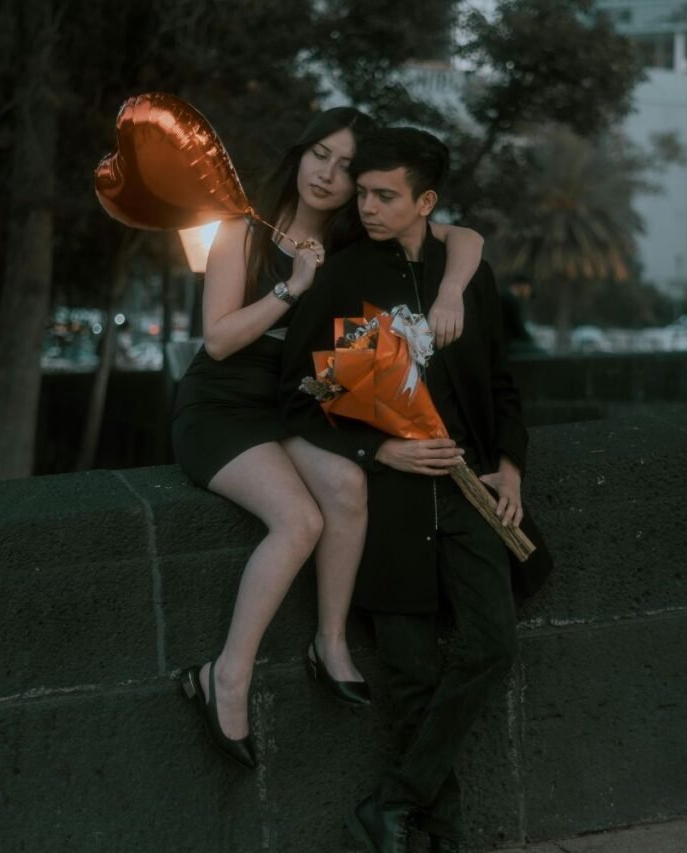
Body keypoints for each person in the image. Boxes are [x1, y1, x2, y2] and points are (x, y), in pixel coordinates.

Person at [171, 107, 486, 769]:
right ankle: (225, 676)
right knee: (298, 520)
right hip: (223, 405)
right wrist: (294, 286)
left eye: (348, 168)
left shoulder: (355, 246)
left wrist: (451, 291)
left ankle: (330, 640)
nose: (328, 174)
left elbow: (465, 238)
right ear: (300, 154)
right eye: (321, 154)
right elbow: (220, 339)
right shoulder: (243, 231)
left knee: (346, 485)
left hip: (294, 406)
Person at [280, 127, 552, 852]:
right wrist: (381, 449)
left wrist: (512, 465)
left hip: (466, 494)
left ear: (425, 200)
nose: (364, 205)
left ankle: (394, 801)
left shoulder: (466, 275)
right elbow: (300, 398)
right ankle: (437, 835)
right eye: (361, 192)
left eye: (383, 195)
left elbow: (501, 382)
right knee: (407, 677)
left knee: (491, 642)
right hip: (387, 504)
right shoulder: (341, 276)